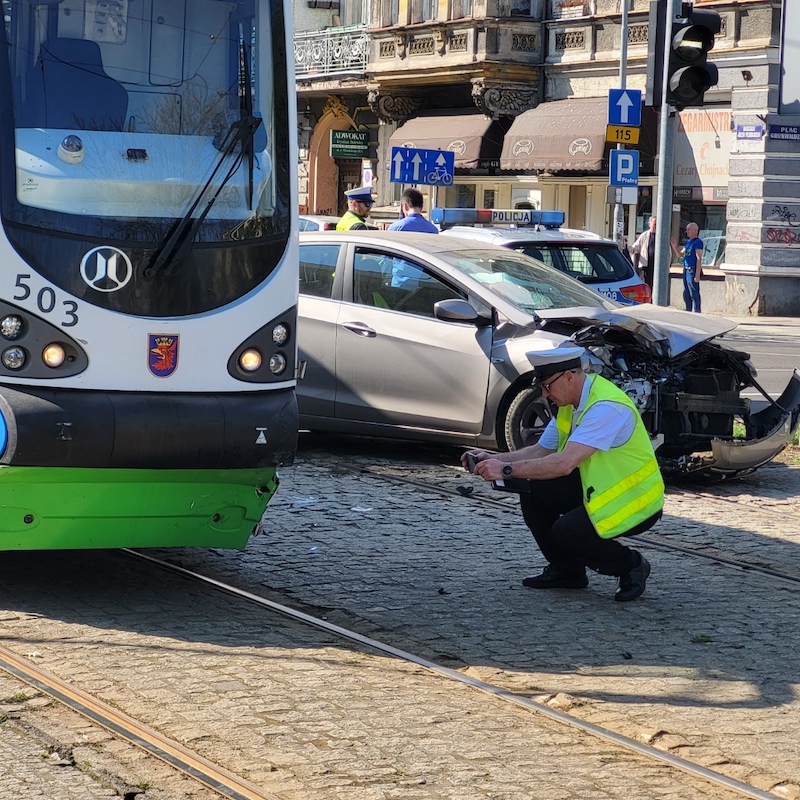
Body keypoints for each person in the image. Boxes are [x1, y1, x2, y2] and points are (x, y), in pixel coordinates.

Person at [462, 346, 664, 602]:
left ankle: (631, 565)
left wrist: (505, 470)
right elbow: (540, 451)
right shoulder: (572, 403)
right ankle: (567, 572)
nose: (545, 394)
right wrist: (493, 459)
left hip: (635, 500)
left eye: (547, 386)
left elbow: (564, 464)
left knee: (567, 531)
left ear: (568, 376)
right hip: (603, 489)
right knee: (533, 490)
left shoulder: (606, 408)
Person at [671, 222, 703, 312]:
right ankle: (688, 311)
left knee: (694, 293)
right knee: (686, 293)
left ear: (695, 231)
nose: (687, 231)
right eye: (687, 229)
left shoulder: (698, 242)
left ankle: (697, 312)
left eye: (689, 229)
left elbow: (699, 258)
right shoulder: (689, 242)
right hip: (686, 270)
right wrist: (674, 247)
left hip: (692, 270)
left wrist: (697, 275)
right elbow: (680, 254)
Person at [630, 215, 657, 290]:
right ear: (649, 224)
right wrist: (625, 245)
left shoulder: (661, 236)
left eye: (657, 224)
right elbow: (634, 248)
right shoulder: (644, 235)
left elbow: (668, 253)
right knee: (646, 287)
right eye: (654, 223)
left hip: (657, 267)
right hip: (646, 267)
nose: (656, 225)